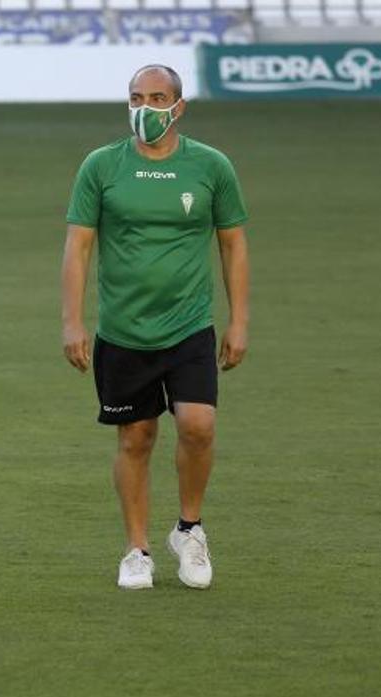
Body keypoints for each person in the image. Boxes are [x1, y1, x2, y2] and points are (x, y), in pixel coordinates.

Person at [61, 65, 250, 591]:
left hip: (189, 326)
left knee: (198, 425)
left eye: (158, 97)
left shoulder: (211, 166)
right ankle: (137, 549)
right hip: (122, 330)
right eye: (137, 98)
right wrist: (72, 321)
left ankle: (189, 529)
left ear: (179, 106)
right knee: (136, 437)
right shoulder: (101, 167)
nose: (147, 108)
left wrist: (238, 320)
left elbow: (232, 244)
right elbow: (78, 246)